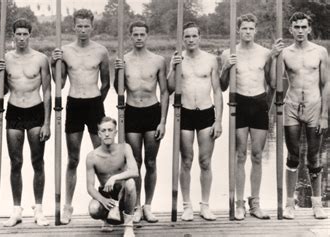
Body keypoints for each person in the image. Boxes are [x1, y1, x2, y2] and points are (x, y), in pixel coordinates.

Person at [220, 14, 282, 220]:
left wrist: (273, 58)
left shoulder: (264, 53)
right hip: (239, 104)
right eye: (244, 28)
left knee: (257, 155)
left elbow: (273, 83)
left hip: (258, 103)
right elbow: (222, 86)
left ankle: (255, 202)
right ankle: (239, 204)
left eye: (251, 28)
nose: (247, 32)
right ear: (238, 30)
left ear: (256, 30)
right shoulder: (228, 53)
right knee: (240, 155)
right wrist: (226, 67)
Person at [51, 8, 110, 224]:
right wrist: (53, 63)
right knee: (73, 159)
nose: (83, 30)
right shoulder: (65, 51)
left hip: (94, 104)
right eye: (79, 26)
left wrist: (97, 104)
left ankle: (106, 208)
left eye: (87, 26)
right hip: (74, 103)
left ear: (92, 27)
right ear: (73, 27)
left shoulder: (101, 51)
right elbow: (61, 83)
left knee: (101, 158)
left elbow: (106, 83)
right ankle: (67, 206)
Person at [0, 18, 52, 227]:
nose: (21, 38)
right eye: (18, 34)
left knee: (38, 162)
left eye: (25, 34)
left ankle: (39, 209)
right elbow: (1, 90)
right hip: (14, 111)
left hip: (36, 111)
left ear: (30, 35)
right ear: (13, 35)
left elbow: (47, 91)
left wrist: (47, 122)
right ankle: (16, 210)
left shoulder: (41, 59)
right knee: (15, 162)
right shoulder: (6, 58)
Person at [113, 21, 169, 223]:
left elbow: (164, 92)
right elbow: (117, 89)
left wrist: (163, 121)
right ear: (130, 36)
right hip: (132, 112)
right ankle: (135, 206)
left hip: (152, 111)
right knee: (134, 162)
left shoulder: (158, 60)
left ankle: (148, 206)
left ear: (147, 36)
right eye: (135, 34)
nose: (138, 38)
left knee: (151, 162)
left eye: (142, 34)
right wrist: (118, 71)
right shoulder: (123, 60)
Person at [168, 22, 223, 221]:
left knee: (205, 161)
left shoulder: (210, 60)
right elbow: (170, 87)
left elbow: (217, 91)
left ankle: (205, 205)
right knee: (186, 161)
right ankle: (186, 205)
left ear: (199, 38)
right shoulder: (177, 58)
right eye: (187, 36)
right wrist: (174, 68)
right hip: (185, 113)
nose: (191, 40)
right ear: (183, 39)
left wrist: (218, 120)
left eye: (194, 36)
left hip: (206, 112)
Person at [279, 12, 328, 220]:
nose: (300, 31)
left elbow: (326, 84)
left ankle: (317, 203)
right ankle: (290, 204)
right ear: (291, 29)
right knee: (292, 155)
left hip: (314, 106)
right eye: (296, 27)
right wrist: (274, 56)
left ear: (309, 29)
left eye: (303, 27)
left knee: (314, 157)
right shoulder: (285, 53)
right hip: (291, 106)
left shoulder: (320, 52)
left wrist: (325, 114)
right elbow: (274, 83)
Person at [86, 116, 138, 237]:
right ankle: (107, 219)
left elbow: (135, 171)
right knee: (93, 209)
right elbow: (90, 187)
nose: (107, 134)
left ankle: (129, 226)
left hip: (123, 195)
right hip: (107, 196)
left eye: (110, 130)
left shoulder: (125, 148)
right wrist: (103, 200)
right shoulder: (92, 156)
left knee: (130, 183)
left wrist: (114, 177)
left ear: (115, 132)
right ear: (99, 134)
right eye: (103, 131)